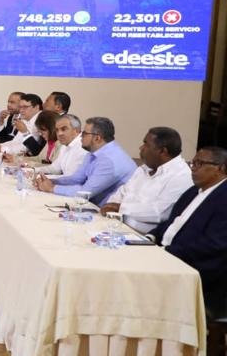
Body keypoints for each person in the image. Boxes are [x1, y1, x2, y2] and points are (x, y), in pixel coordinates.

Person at [150, 146, 227, 308]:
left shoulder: (223, 197)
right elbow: (171, 223)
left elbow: (214, 244)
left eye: (199, 164)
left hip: (197, 268)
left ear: (220, 168)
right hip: (167, 254)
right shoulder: (193, 191)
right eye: (192, 163)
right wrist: (150, 237)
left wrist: (167, 251)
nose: (193, 168)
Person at [100, 127, 193, 233]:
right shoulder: (144, 169)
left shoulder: (182, 176)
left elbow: (159, 213)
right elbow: (122, 192)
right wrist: (112, 205)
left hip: (144, 236)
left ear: (162, 151)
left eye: (146, 144)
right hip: (117, 226)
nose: (141, 148)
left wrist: (121, 208)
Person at [35, 117, 136, 205]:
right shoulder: (94, 152)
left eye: (84, 133)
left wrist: (52, 188)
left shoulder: (109, 160)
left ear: (97, 138)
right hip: (92, 204)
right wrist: (50, 181)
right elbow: (77, 178)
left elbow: (85, 193)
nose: (80, 136)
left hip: (109, 213)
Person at [36, 114, 88, 179]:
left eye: (64, 129)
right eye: (57, 130)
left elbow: (71, 178)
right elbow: (55, 168)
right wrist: (33, 170)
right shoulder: (65, 144)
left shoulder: (82, 146)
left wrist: (42, 178)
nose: (59, 133)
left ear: (76, 130)